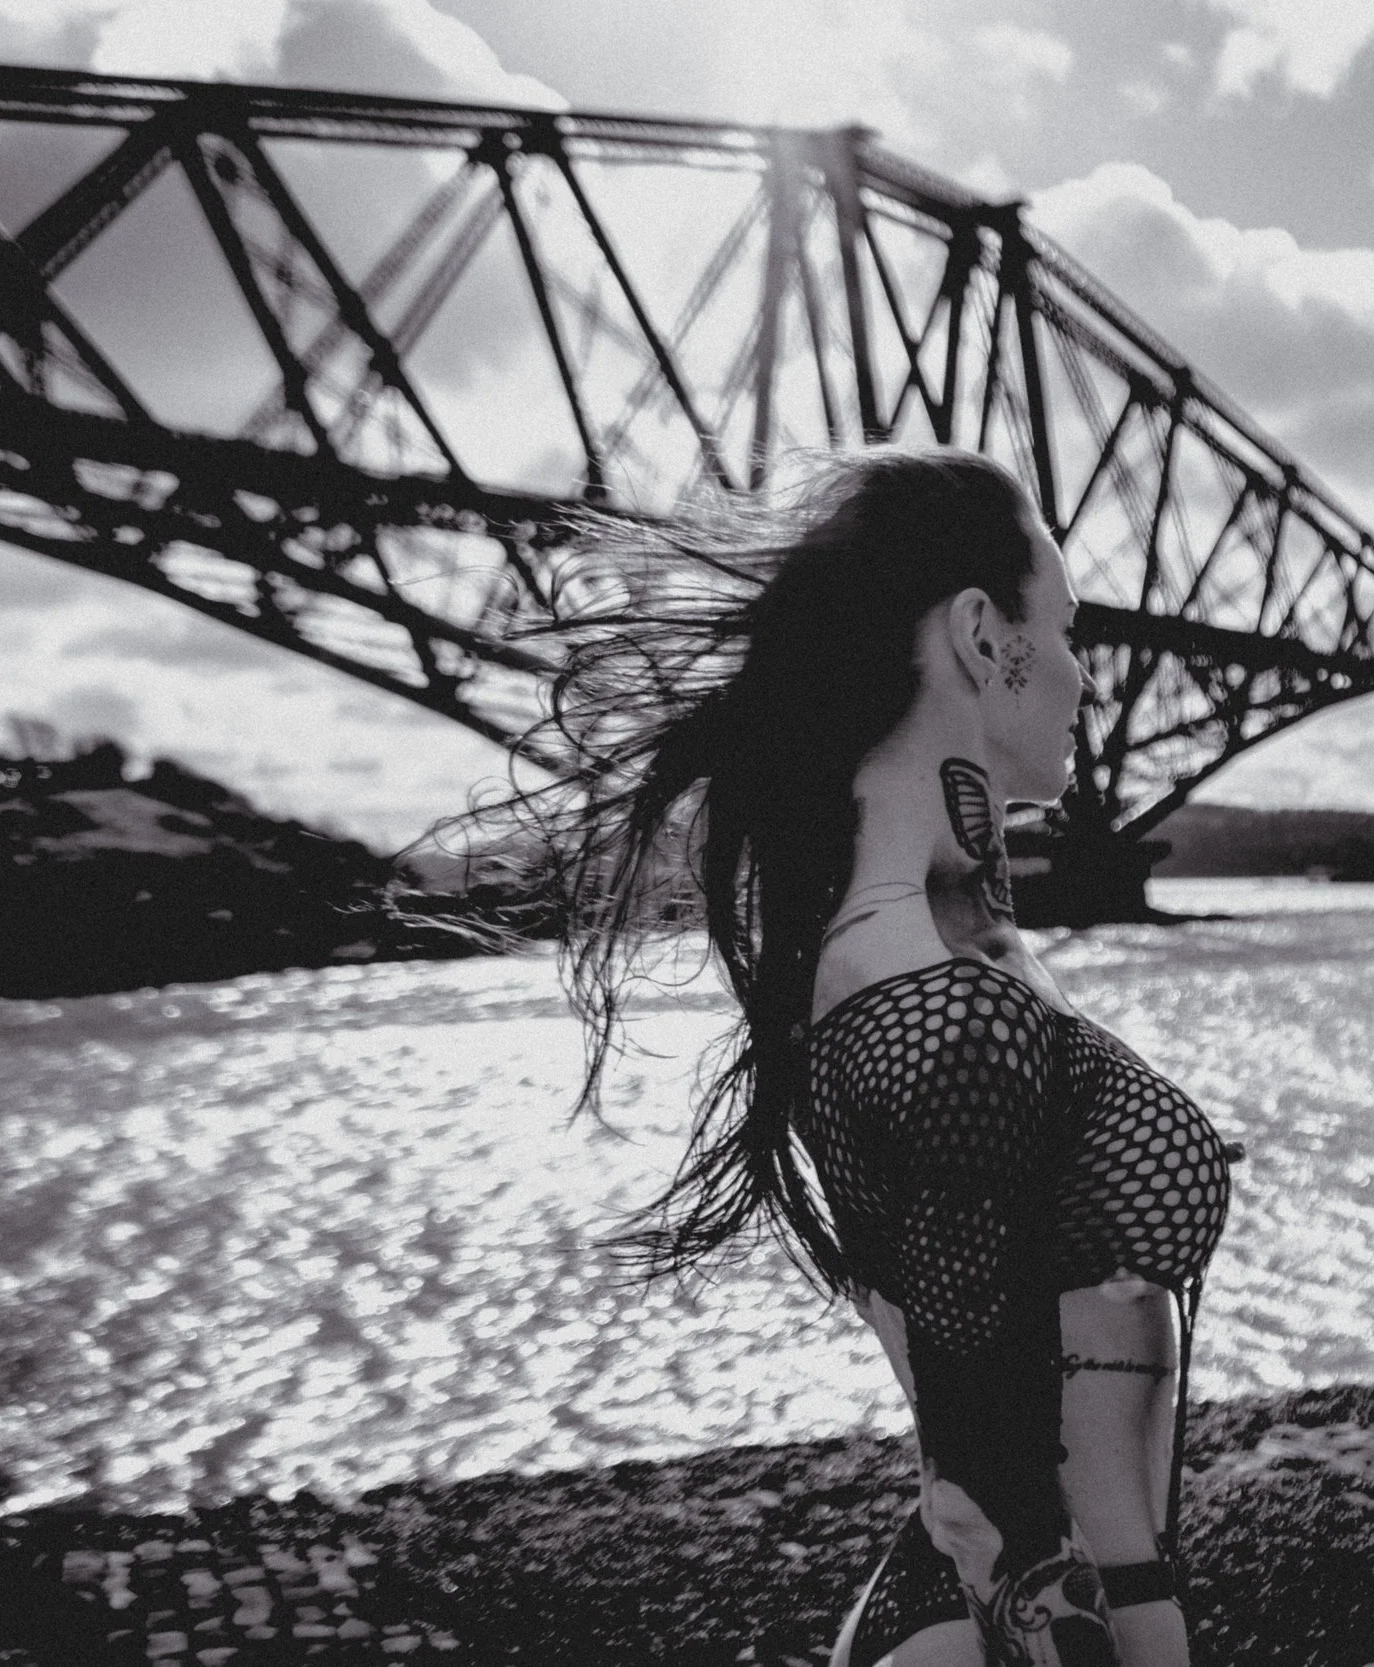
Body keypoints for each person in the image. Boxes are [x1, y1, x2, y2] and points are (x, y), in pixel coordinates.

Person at [500, 449, 1234, 1666]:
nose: (1087, 677)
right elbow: (994, 1503)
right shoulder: (938, 1003)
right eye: (1066, 629)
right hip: (1025, 1621)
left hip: (1010, 1601)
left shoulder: (935, 947)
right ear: (981, 635)